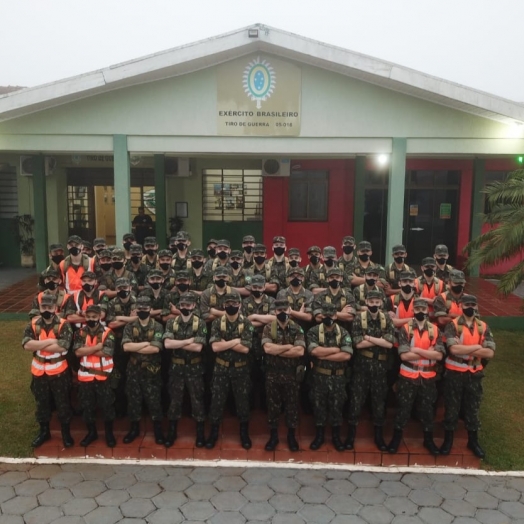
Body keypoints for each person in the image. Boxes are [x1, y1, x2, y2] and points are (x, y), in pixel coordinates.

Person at [387, 299, 445, 455]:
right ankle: (396, 439)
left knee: (427, 410)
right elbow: (404, 355)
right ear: (413, 310)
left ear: (427, 310)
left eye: (423, 308)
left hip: (428, 376)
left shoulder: (435, 330)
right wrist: (428, 351)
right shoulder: (405, 329)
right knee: (403, 409)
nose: (420, 311)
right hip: (408, 375)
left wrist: (416, 350)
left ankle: (429, 440)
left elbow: (439, 355)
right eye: (417, 308)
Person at [441, 294, 495, 459]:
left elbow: (490, 352)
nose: (470, 307)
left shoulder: (483, 326)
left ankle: (473, 441)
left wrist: (466, 347)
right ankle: (448, 440)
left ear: (476, 306)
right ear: (461, 306)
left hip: (474, 373)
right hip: (454, 372)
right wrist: (478, 346)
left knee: (473, 408)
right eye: (467, 304)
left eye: (473, 304)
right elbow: (453, 350)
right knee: (452, 407)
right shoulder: (453, 325)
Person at [22, 293, 74, 448]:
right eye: (43, 307)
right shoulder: (33, 324)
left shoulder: (64, 324)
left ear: (55, 308)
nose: (47, 310)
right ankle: (44, 432)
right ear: (39, 308)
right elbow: (26, 345)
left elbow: (63, 345)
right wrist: (50, 341)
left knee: (62, 403)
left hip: (59, 372)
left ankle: (66, 433)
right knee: (41, 403)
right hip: (39, 372)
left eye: (50, 307)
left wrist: (38, 343)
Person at [347, 290, 396, 451]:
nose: (374, 304)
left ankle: (379, 436)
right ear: (366, 301)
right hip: (362, 366)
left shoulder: (387, 319)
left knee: (379, 402)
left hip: (380, 368)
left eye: (377, 302)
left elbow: (390, 343)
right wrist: (379, 341)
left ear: (381, 303)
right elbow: (357, 343)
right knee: (356, 401)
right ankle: (351, 435)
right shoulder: (359, 319)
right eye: (371, 301)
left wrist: (367, 337)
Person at [206, 292, 254, 450]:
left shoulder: (246, 323)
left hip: (241, 369)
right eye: (228, 304)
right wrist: (235, 341)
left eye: (234, 304)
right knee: (216, 402)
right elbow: (214, 347)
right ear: (224, 306)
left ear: (240, 305)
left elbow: (246, 349)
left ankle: (244, 433)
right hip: (221, 367)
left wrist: (225, 343)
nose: (231, 306)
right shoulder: (217, 323)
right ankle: (213, 433)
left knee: (243, 402)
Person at [163, 292, 207, 448]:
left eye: (188, 305)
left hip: (194, 368)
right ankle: (172, 432)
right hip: (176, 368)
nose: (185, 307)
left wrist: (178, 342)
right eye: (182, 305)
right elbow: (167, 344)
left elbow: (198, 347)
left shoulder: (200, 323)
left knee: (197, 401)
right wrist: (188, 340)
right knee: (174, 401)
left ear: (194, 306)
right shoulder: (171, 323)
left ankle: (200, 433)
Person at [307, 302, 352, 452]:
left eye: (331, 315)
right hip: (319, 376)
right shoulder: (313, 331)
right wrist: (335, 350)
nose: (328, 317)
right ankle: (319, 437)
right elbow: (314, 352)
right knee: (318, 406)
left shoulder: (344, 332)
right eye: (325, 315)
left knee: (336, 407)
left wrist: (324, 353)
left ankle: (336, 437)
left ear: (336, 316)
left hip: (338, 378)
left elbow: (346, 355)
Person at [262, 299, 305, 452]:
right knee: (273, 407)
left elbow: (299, 351)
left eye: (285, 310)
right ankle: (273, 437)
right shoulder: (268, 328)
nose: (282, 313)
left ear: (289, 310)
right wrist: (288, 347)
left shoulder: (297, 328)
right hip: (273, 373)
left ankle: (291, 436)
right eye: (279, 310)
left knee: (292, 407)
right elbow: (267, 349)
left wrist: (278, 349)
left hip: (291, 375)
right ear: (275, 312)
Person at [122, 296, 165, 445]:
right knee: (133, 400)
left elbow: (155, 349)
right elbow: (126, 347)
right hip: (133, 369)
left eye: (145, 309)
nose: (142, 311)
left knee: (154, 401)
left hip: (152, 370)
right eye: (139, 309)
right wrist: (146, 343)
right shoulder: (130, 326)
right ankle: (134, 429)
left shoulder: (158, 326)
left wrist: (138, 346)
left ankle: (158, 431)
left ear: (150, 310)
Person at [73, 304, 117, 448]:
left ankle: (109, 434)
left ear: (99, 317)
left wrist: (87, 349)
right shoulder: (79, 332)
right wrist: (97, 347)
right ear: (85, 317)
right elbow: (78, 352)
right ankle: (92, 433)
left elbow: (107, 352)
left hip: (103, 376)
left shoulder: (107, 332)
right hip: (85, 376)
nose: (91, 319)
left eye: (94, 317)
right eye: (88, 317)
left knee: (107, 406)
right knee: (87, 406)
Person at [242, 274, 276, 409]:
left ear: (264, 287)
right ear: (251, 287)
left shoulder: (272, 301)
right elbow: (244, 321)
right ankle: (250, 405)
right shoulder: (244, 302)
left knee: (265, 375)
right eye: (254, 287)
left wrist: (255, 316)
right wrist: (264, 320)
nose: (257, 289)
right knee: (248, 375)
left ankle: (264, 405)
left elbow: (274, 319)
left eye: (260, 287)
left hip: (266, 342)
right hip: (249, 342)